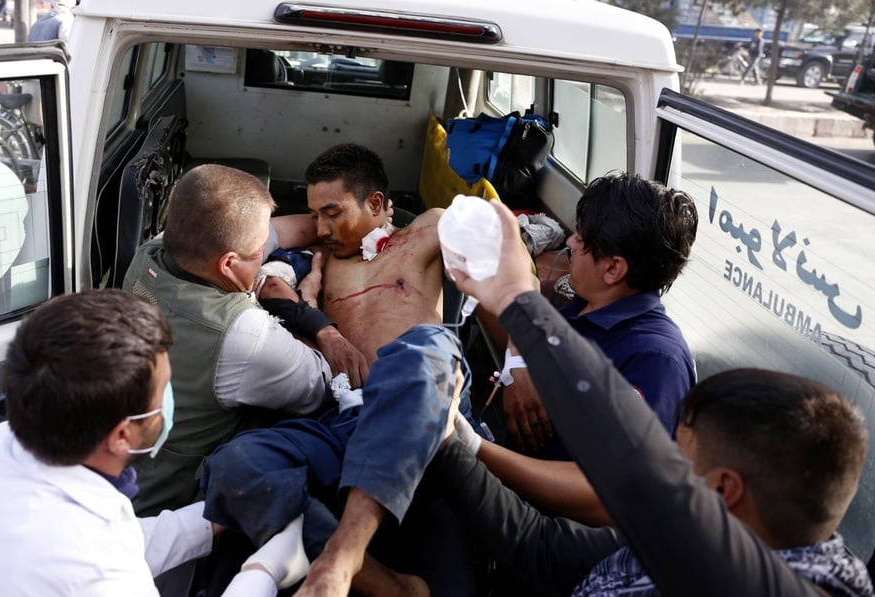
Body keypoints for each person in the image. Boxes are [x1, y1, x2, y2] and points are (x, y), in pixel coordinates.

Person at [434, 198, 872, 596]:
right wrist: (462, 439)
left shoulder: (741, 577)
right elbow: (544, 549)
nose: (661, 462)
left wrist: (471, 446)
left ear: (722, 490)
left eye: (679, 462)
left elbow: (628, 461)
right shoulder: (680, 540)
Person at [203, 144, 480, 596]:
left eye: (333, 212)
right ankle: (385, 585)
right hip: (347, 416)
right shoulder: (321, 251)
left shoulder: (427, 231)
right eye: (315, 214)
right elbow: (256, 239)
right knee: (233, 465)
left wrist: (520, 363)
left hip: (425, 417)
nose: (322, 227)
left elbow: (502, 257)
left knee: (422, 349)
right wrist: (322, 326)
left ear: (375, 204)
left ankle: (342, 557)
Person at [0, 290, 311, 596]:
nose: (170, 401)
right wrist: (262, 574)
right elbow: (98, 556)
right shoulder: (100, 575)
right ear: (121, 434)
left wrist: (217, 517)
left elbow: (116, 538)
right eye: (165, 391)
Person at [122, 163, 367, 517]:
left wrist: (331, 227)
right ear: (228, 264)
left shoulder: (157, 250)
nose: (265, 249)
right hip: (173, 510)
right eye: (259, 252)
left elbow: (280, 233)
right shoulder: (242, 336)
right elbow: (330, 382)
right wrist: (306, 304)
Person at [481, 172, 697, 526]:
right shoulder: (587, 307)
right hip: (516, 490)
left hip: (555, 534)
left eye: (581, 239)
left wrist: (477, 452)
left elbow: (615, 494)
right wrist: (516, 365)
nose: (569, 242)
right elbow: (523, 295)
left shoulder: (655, 360)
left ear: (613, 268)